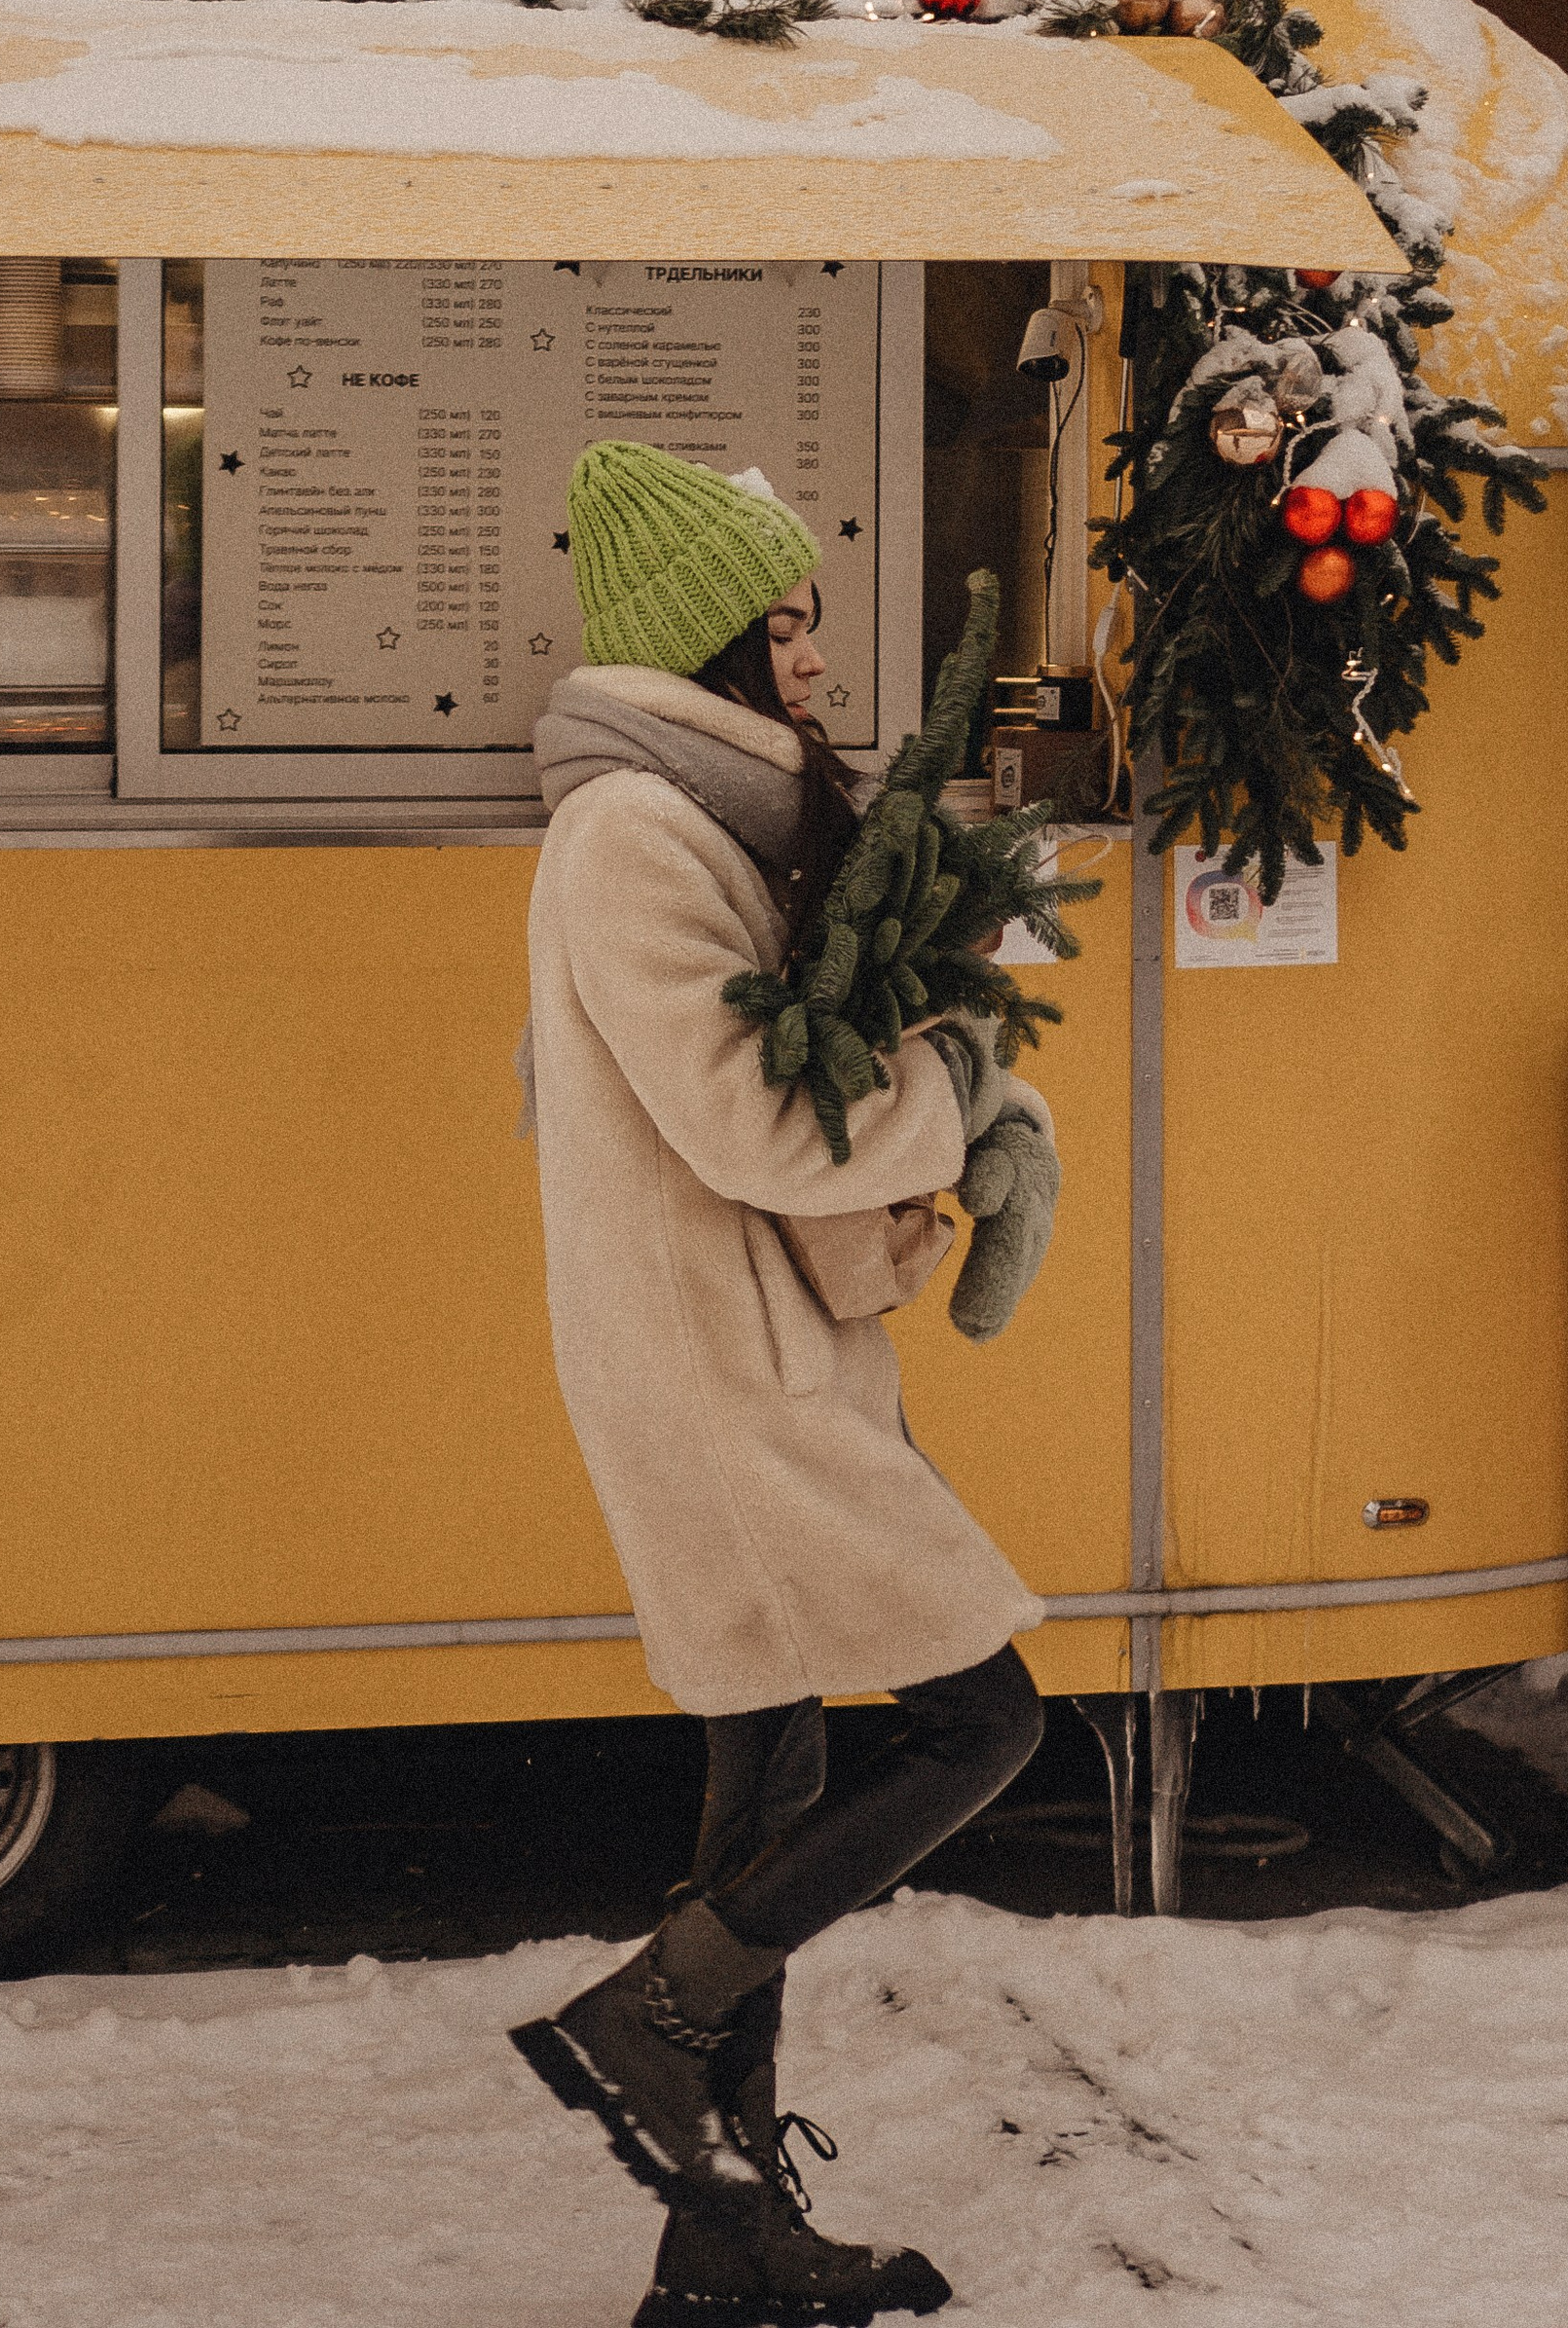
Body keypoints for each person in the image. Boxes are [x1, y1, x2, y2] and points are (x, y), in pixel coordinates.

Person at [512, 437, 1053, 2326]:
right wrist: (953, 1091)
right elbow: (752, 1123)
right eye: (790, 616)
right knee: (980, 1718)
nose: (814, 651)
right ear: (712, 636)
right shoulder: (634, 842)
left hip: (741, 1349)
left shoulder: (695, 822)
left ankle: (720, 2254)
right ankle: (646, 2015)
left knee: (769, 1787)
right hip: (716, 1375)